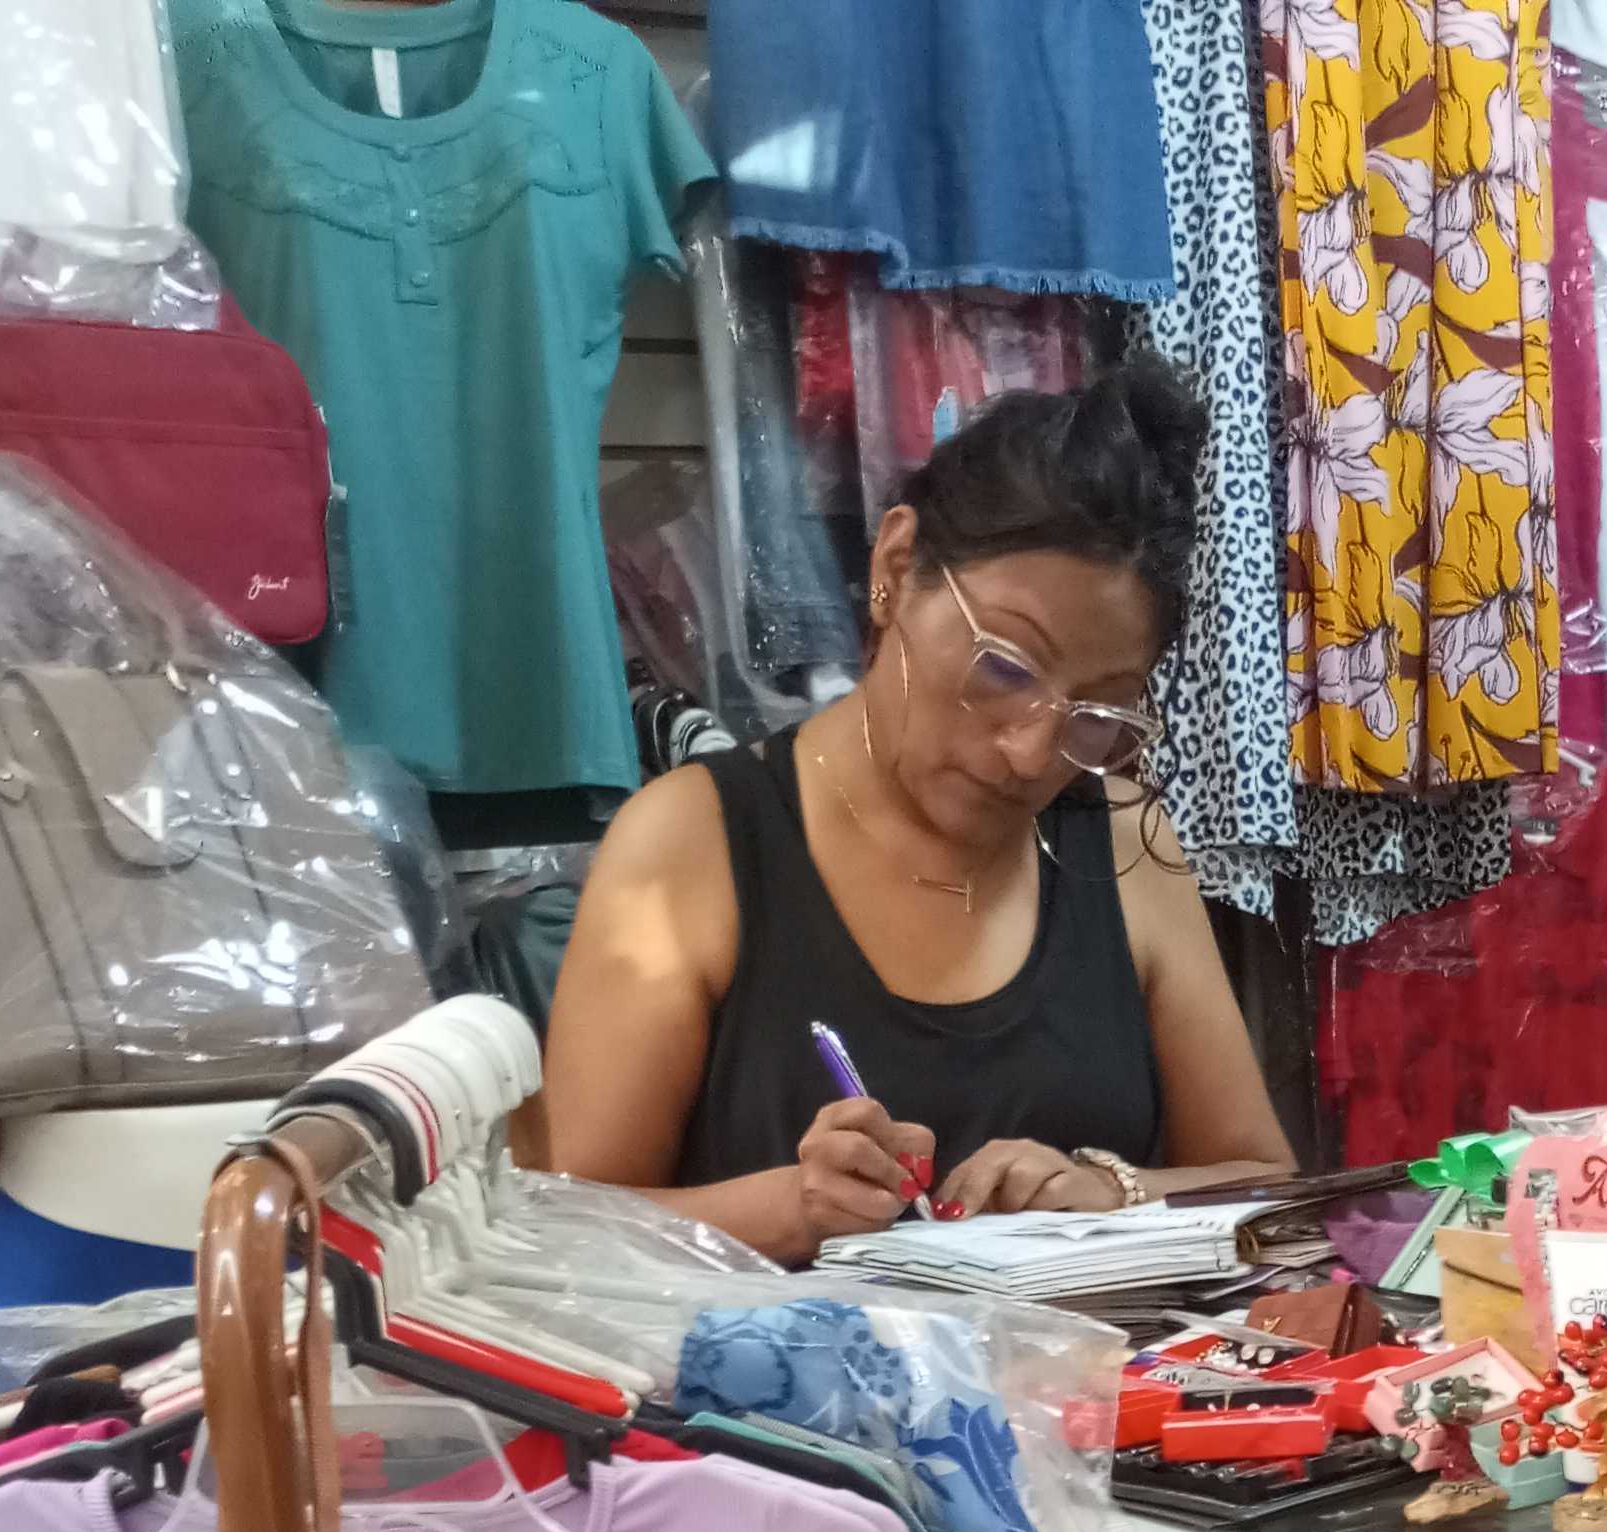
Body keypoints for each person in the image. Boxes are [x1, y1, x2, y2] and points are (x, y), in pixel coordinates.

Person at [542, 354, 1296, 1262]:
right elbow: (566, 1233)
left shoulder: (1122, 835)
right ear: (897, 567)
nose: (1031, 754)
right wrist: (790, 1209)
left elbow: (1270, 1190)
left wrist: (1111, 1193)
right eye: (1004, 667)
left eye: (1095, 716)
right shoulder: (689, 843)